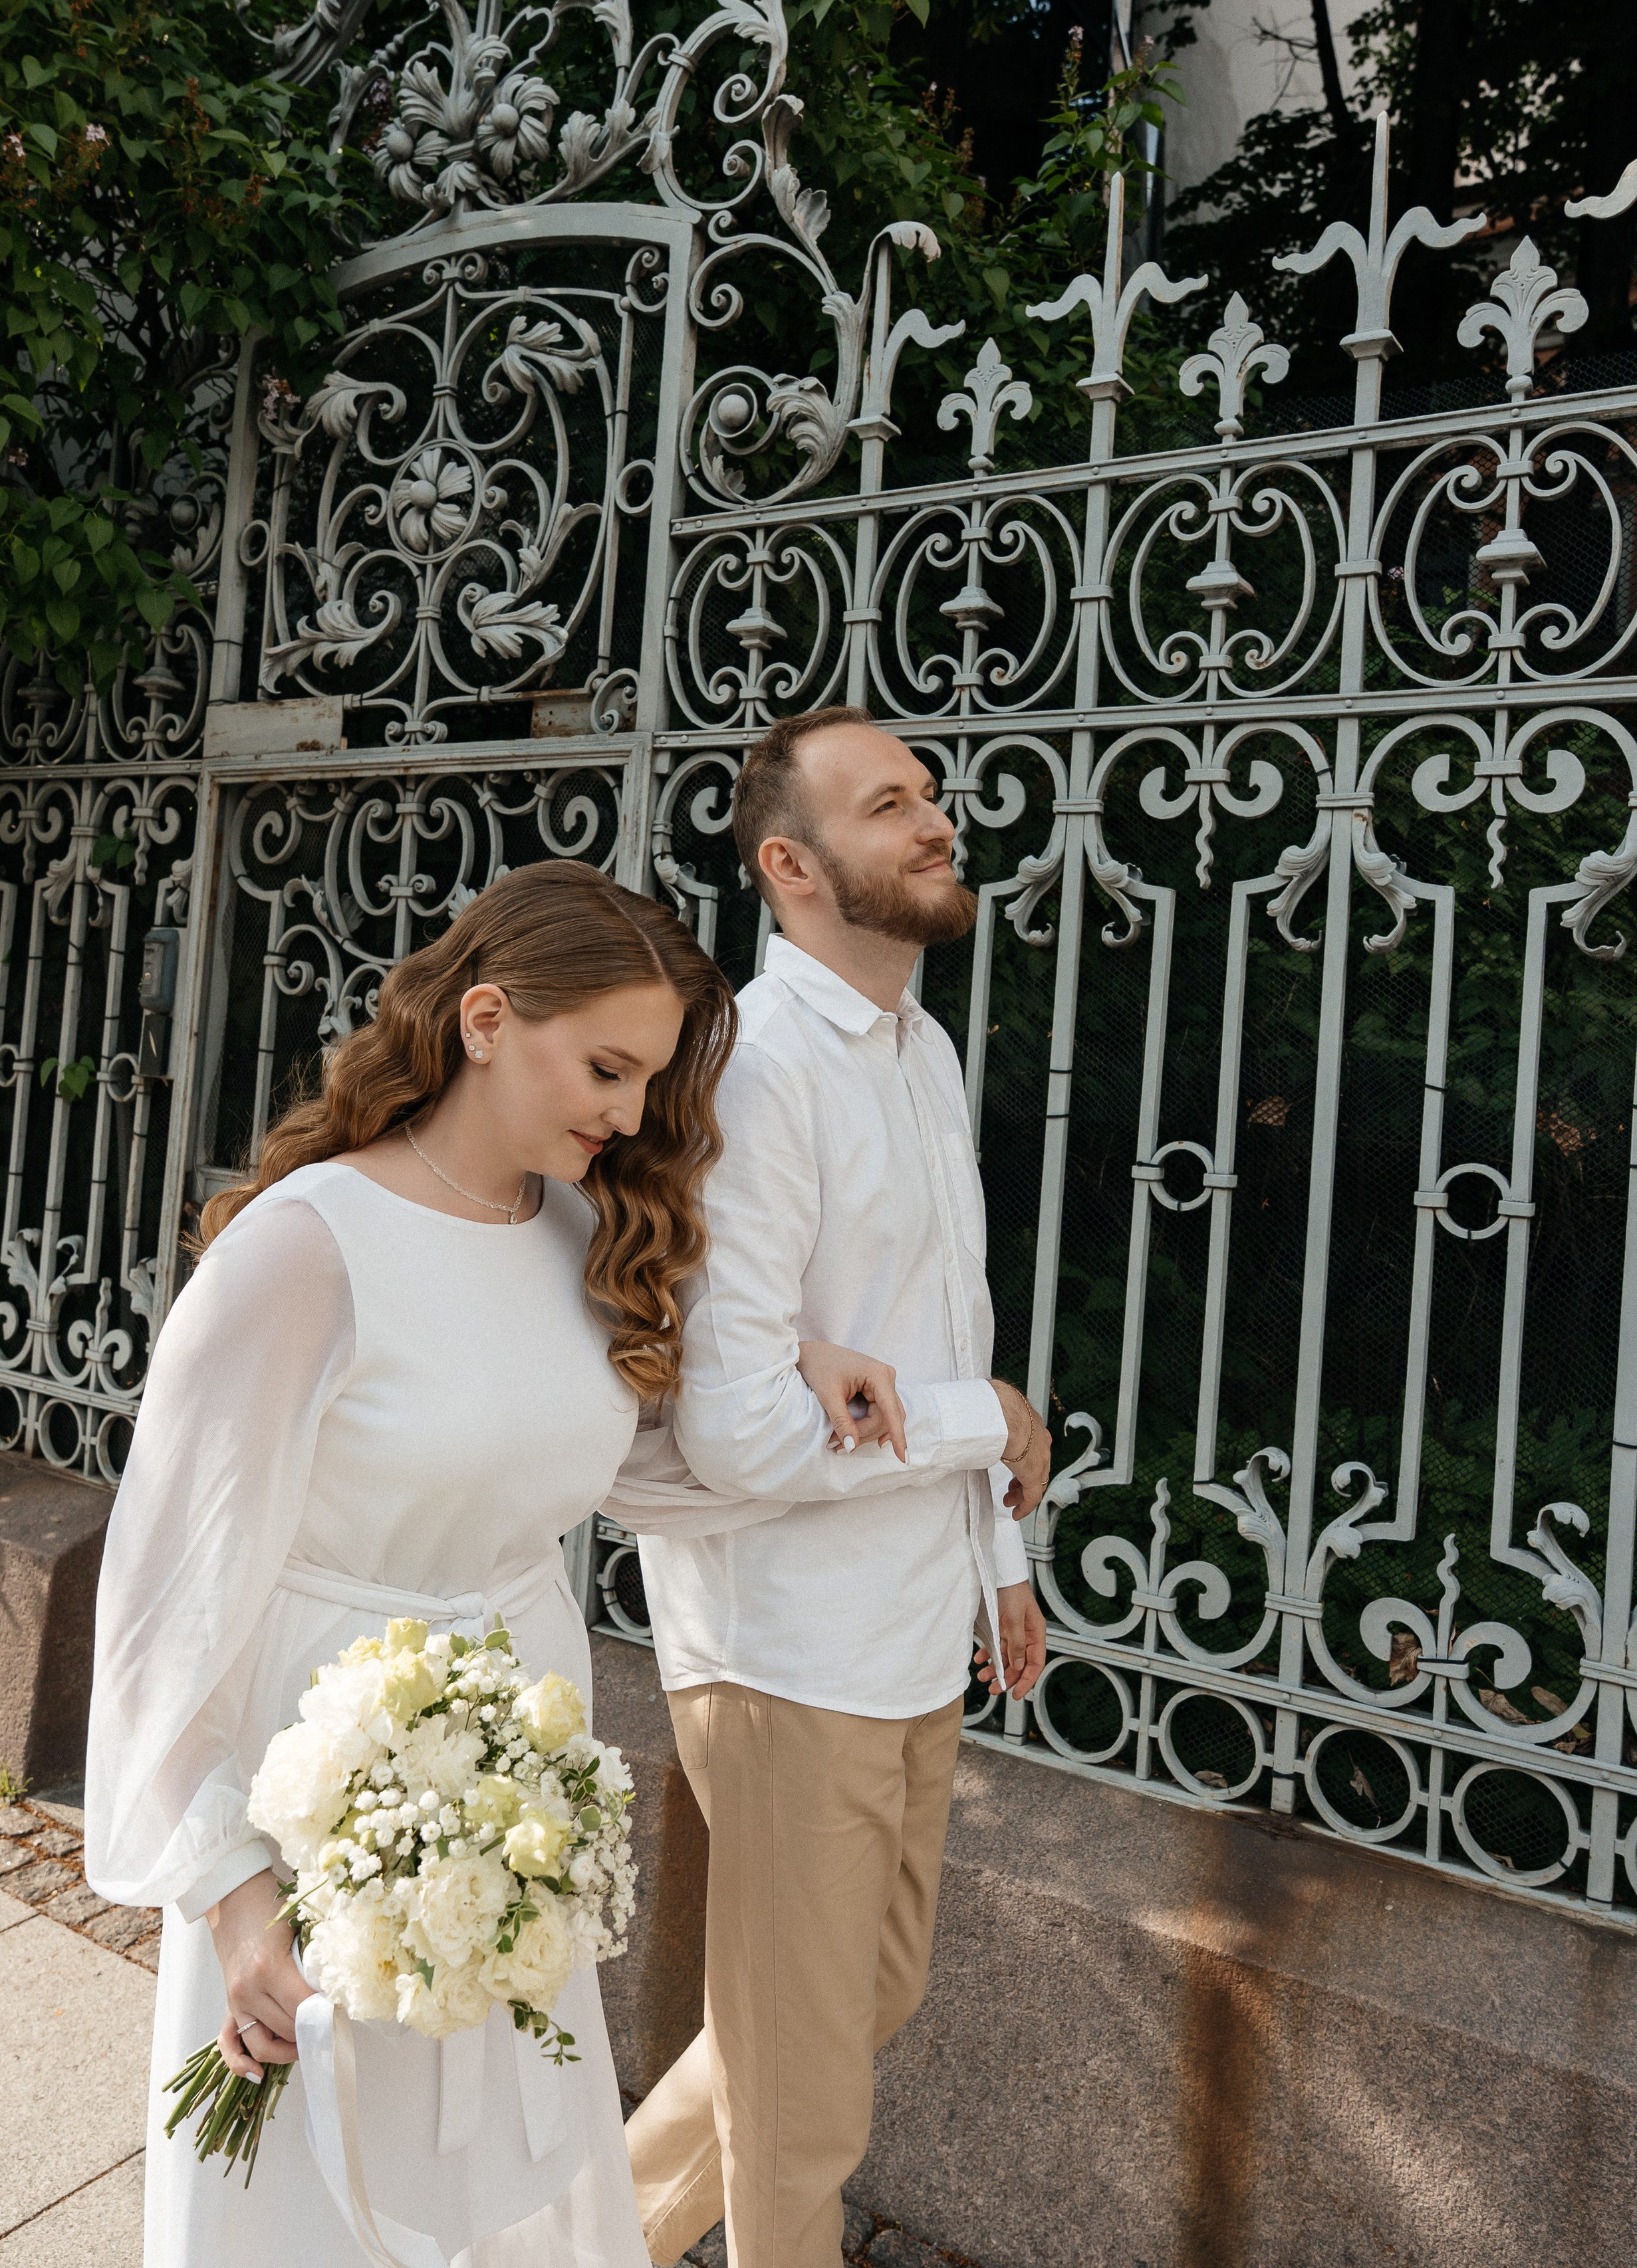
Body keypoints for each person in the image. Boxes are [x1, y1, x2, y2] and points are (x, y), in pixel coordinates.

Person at [85, 861, 748, 2268]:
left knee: (495, 2183)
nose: (630, 1115)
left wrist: (911, 1418)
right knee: (309, 2190)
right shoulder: (303, 1251)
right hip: (308, 1763)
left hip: (515, 1781)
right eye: (609, 1068)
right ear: (489, 1017)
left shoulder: (582, 1237)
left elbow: (656, 1473)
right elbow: (161, 1606)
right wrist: (235, 1899)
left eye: (649, 1083)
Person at [622, 705, 1053, 2268]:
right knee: (803, 2111)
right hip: (785, 1644)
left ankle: (552, 2248)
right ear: (790, 865)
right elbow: (740, 1431)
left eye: (928, 797)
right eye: (889, 807)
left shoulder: (921, 1046)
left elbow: (940, 1338)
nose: (934, 821)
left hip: (907, 1621)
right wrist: (981, 1423)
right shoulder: (754, 1068)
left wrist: (997, 1558)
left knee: (858, 2002)